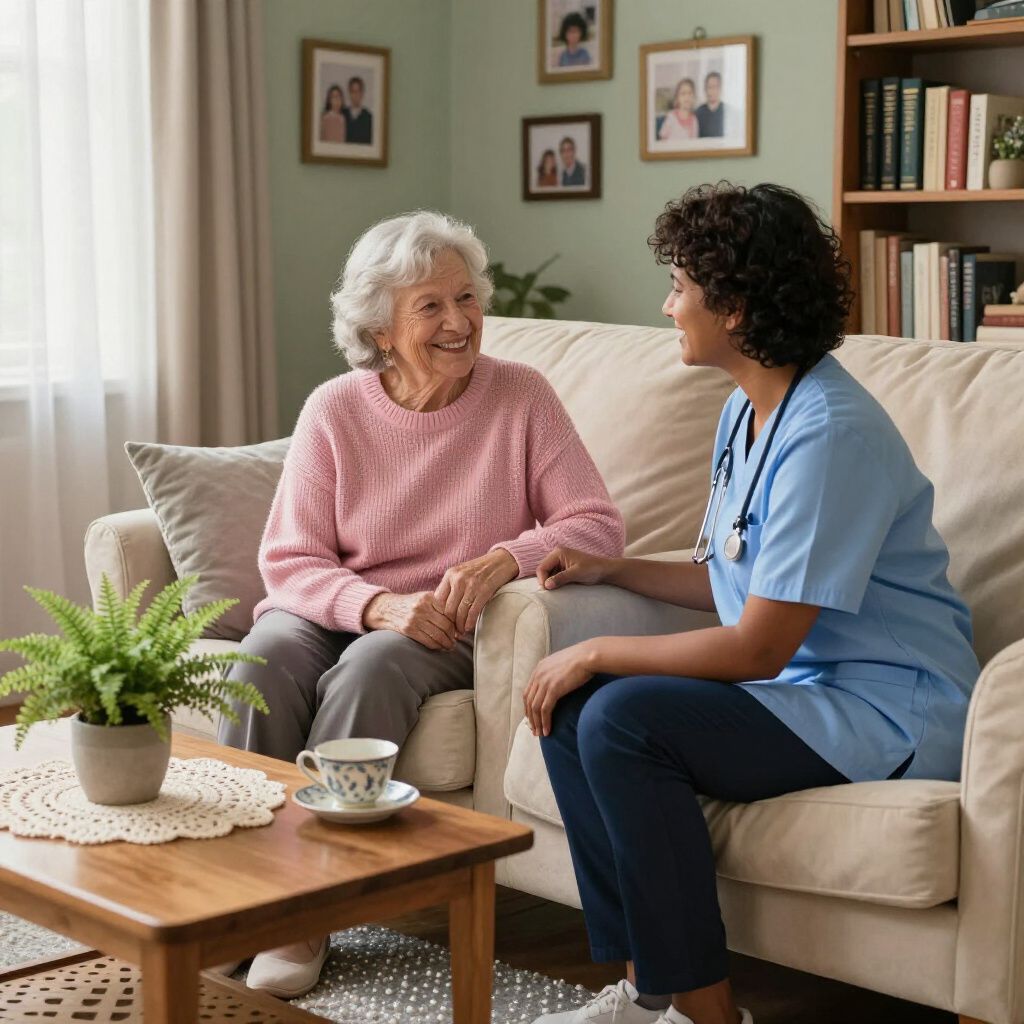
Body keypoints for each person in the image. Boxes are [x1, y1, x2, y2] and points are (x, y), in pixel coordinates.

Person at [525, 182, 980, 1024]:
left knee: (620, 714)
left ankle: (706, 1015)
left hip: (891, 710)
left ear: (732, 307)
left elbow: (756, 645)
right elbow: (737, 578)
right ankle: (644, 991)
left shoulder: (829, 433)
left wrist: (594, 648)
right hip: (809, 693)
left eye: (679, 287)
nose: (667, 307)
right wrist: (612, 569)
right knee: (571, 707)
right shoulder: (746, 409)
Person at [218, 210, 625, 999]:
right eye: (430, 306)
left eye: (466, 298)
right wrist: (374, 604)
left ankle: (308, 911)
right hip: (351, 604)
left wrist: (509, 554)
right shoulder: (336, 408)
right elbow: (290, 560)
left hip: (447, 622)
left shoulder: (522, 397)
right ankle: (238, 899)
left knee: (372, 669)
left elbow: (596, 524)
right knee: (259, 660)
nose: (458, 321)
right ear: (381, 327)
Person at [658, 78, 699, 142]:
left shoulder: (694, 120)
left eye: (690, 93)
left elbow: (694, 143)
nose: (687, 97)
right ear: (677, 98)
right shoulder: (671, 116)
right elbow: (662, 138)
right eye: (683, 93)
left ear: (694, 97)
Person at [343, 76, 372, 144]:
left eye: (358, 91)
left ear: (362, 93)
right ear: (349, 93)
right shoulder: (342, 114)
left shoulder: (368, 117)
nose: (355, 95)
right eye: (353, 91)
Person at [696, 71, 725, 137]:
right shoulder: (698, 113)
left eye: (715, 87)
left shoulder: (727, 112)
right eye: (709, 87)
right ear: (705, 89)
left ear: (720, 89)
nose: (712, 90)